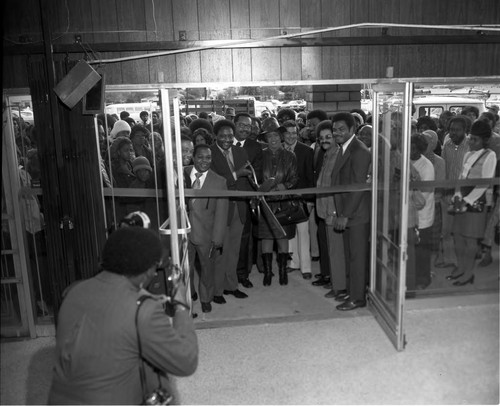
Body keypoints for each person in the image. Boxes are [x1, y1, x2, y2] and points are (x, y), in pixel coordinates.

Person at [48, 227, 198, 404]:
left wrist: (145, 300)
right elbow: (186, 361)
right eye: (156, 267)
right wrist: (180, 306)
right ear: (148, 270)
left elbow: (106, 321)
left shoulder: (73, 292)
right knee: (157, 370)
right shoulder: (144, 310)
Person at [330, 112, 371, 311]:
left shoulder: (359, 150)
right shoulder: (343, 148)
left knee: (357, 257)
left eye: (341, 129)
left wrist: (345, 215)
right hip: (347, 212)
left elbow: (357, 186)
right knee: (349, 254)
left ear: (352, 130)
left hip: (356, 214)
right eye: (334, 129)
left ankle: (358, 298)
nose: (336, 133)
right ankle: (350, 290)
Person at [448, 120, 497, 286]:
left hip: (476, 202)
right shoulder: (468, 154)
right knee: (458, 236)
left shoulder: (490, 155)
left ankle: (468, 273)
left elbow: (485, 183)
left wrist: (467, 201)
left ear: (484, 140)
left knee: (470, 240)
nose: (471, 142)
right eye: (471, 138)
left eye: (475, 139)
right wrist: (456, 194)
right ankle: (461, 267)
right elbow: (461, 177)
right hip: (461, 198)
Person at [210, 119, 252, 301]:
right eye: (223, 136)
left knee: (234, 251)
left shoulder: (240, 151)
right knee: (220, 252)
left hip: (239, 207)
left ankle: (231, 286)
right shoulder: (208, 154)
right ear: (215, 136)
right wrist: (237, 174)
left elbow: (246, 179)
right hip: (220, 209)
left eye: (230, 136)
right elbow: (213, 181)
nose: (227, 139)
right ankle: (217, 290)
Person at [184, 144, 229, 313]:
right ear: (193, 157)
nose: (204, 161)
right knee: (185, 268)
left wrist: (217, 238)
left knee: (207, 269)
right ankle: (189, 294)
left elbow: (221, 213)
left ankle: (206, 298)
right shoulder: (182, 173)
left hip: (206, 234)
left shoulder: (219, 181)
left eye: (208, 158)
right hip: (184, 233)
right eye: (200, 157)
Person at [255, 120, 298, 286]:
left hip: (284, 202)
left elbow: (295, 178)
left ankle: (282, 272)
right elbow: (256, 177)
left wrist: (283, 186)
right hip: (265, 203)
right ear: (265, 138)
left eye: (275, 135)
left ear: (281, 136)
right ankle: (267, 272)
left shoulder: (290, 155)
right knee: (266, 237)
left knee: (282, 237)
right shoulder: (261, 155)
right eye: (269, 136)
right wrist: (262, 187)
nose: (273, 138)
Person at [314, 120, 347, 299]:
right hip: (324, 211)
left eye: (328, 137)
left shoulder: (338, 155)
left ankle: (340, 287)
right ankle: (336, 284)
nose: (324, 140)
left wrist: (334, 212)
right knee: (331, 251)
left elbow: (337, 187)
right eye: (321, 138)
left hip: (333, 211)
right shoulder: (326, 154)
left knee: (337, 252)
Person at [280, 120, 315, 280]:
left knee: (303, 233)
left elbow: (310, 176)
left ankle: (306, 267)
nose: (291, 136)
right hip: (284, 199)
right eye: (288, 133)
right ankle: (294, 263)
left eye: (294, 133)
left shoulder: (306, 151)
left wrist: (309, 199)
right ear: (283, 134)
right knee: (290, 233)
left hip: (301, 200)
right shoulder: (278, 150)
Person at [233, 112, 263, 289]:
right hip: (226, 199)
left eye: (249, 126)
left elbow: (257, 174)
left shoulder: (255, 147)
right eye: (242, 125)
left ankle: (242, 274)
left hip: (245, 199)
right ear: (234, 124)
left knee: (244, 239)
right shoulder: (223, 142)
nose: (245, 129)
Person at [437, 115, 471, 272]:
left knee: (461, 231)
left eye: (457, 130)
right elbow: (444, 168)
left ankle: (462, 263)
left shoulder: (471, 147)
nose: (453, 133)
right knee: (446, 230)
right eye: (451, 130)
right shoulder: (447, 144)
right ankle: (449, 259)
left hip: (463, 194)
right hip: (447, 192)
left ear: (465, 131)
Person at [410, 133, 435, 290]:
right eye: (409, 148)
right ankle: (413, 277)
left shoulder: (426, 166)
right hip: (410, 213)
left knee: (423, 250)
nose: (411, 151)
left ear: (421, 150)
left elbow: (425, 191)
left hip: (423, 214)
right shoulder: (405, 161)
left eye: (414, 149)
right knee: (413, 249)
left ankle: (424, 279)